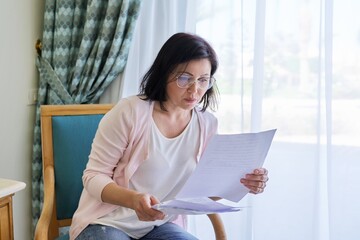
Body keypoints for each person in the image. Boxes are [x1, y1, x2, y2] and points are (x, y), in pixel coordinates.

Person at [69, 32, 269, 240]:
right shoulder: (129, 112)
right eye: (184, 78)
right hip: (106, 222)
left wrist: (241, 183)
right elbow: (92, 176)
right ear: (165, 74)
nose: (195, 90)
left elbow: (201, 193)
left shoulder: (207, 124)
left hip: (158, 226)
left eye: (203, 80)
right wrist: (134, 199)